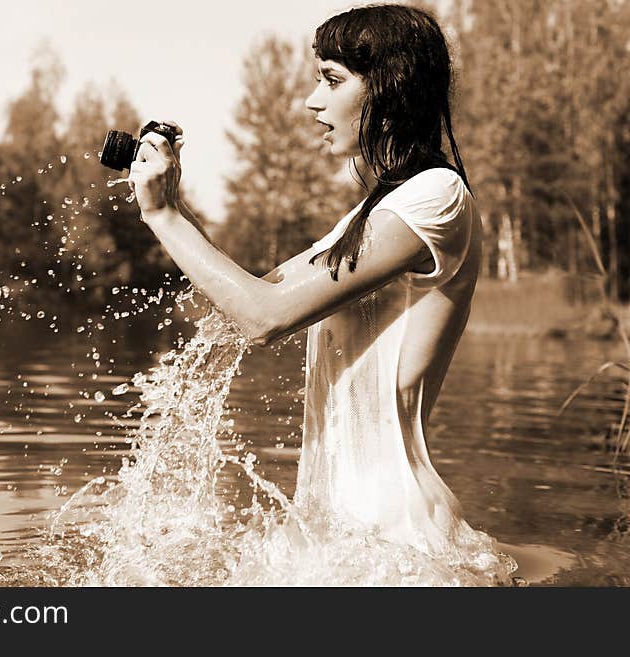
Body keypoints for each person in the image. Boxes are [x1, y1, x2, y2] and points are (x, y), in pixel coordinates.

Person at [128, 4, 515, 579]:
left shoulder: (434, 197)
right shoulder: (375, 213)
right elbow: (252, 297)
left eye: (332, 80)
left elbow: (265, 318)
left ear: (392, 90)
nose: (313, 101)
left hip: (396, 540)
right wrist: (175, 204)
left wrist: (162, 218)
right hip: (337, 534)